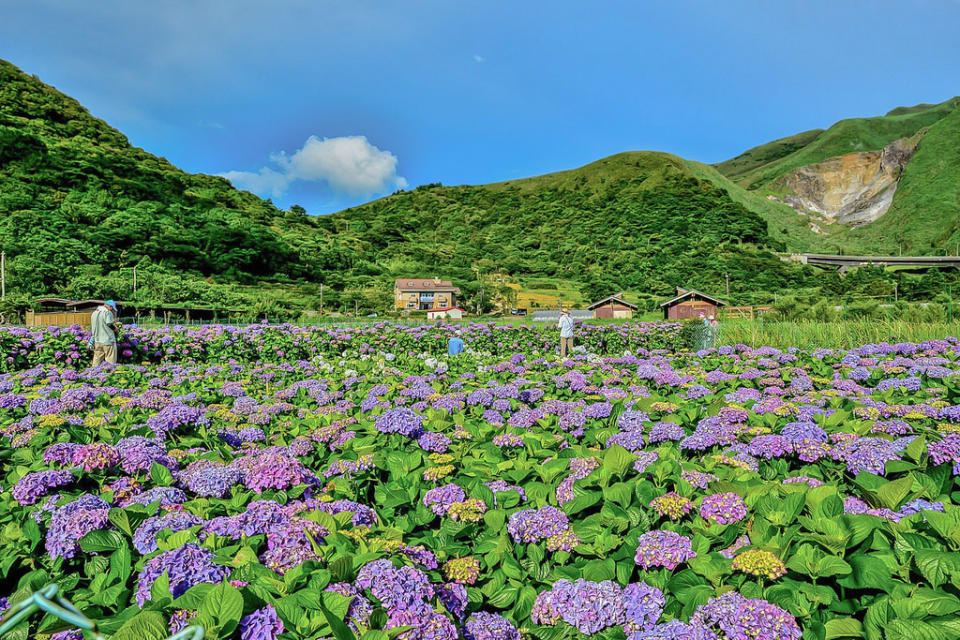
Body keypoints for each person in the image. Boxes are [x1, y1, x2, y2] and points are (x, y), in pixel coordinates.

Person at [90, 299, 120, 366]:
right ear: (110, 306)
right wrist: (115, 329)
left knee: (97, 360)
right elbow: (109, 324)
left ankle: (93, 374)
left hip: (97, 340)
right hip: (108, 340)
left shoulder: (95, 313)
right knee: (110, 360)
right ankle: (109, 374)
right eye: (112, 308)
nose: (112, 310)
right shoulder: (107, 312)